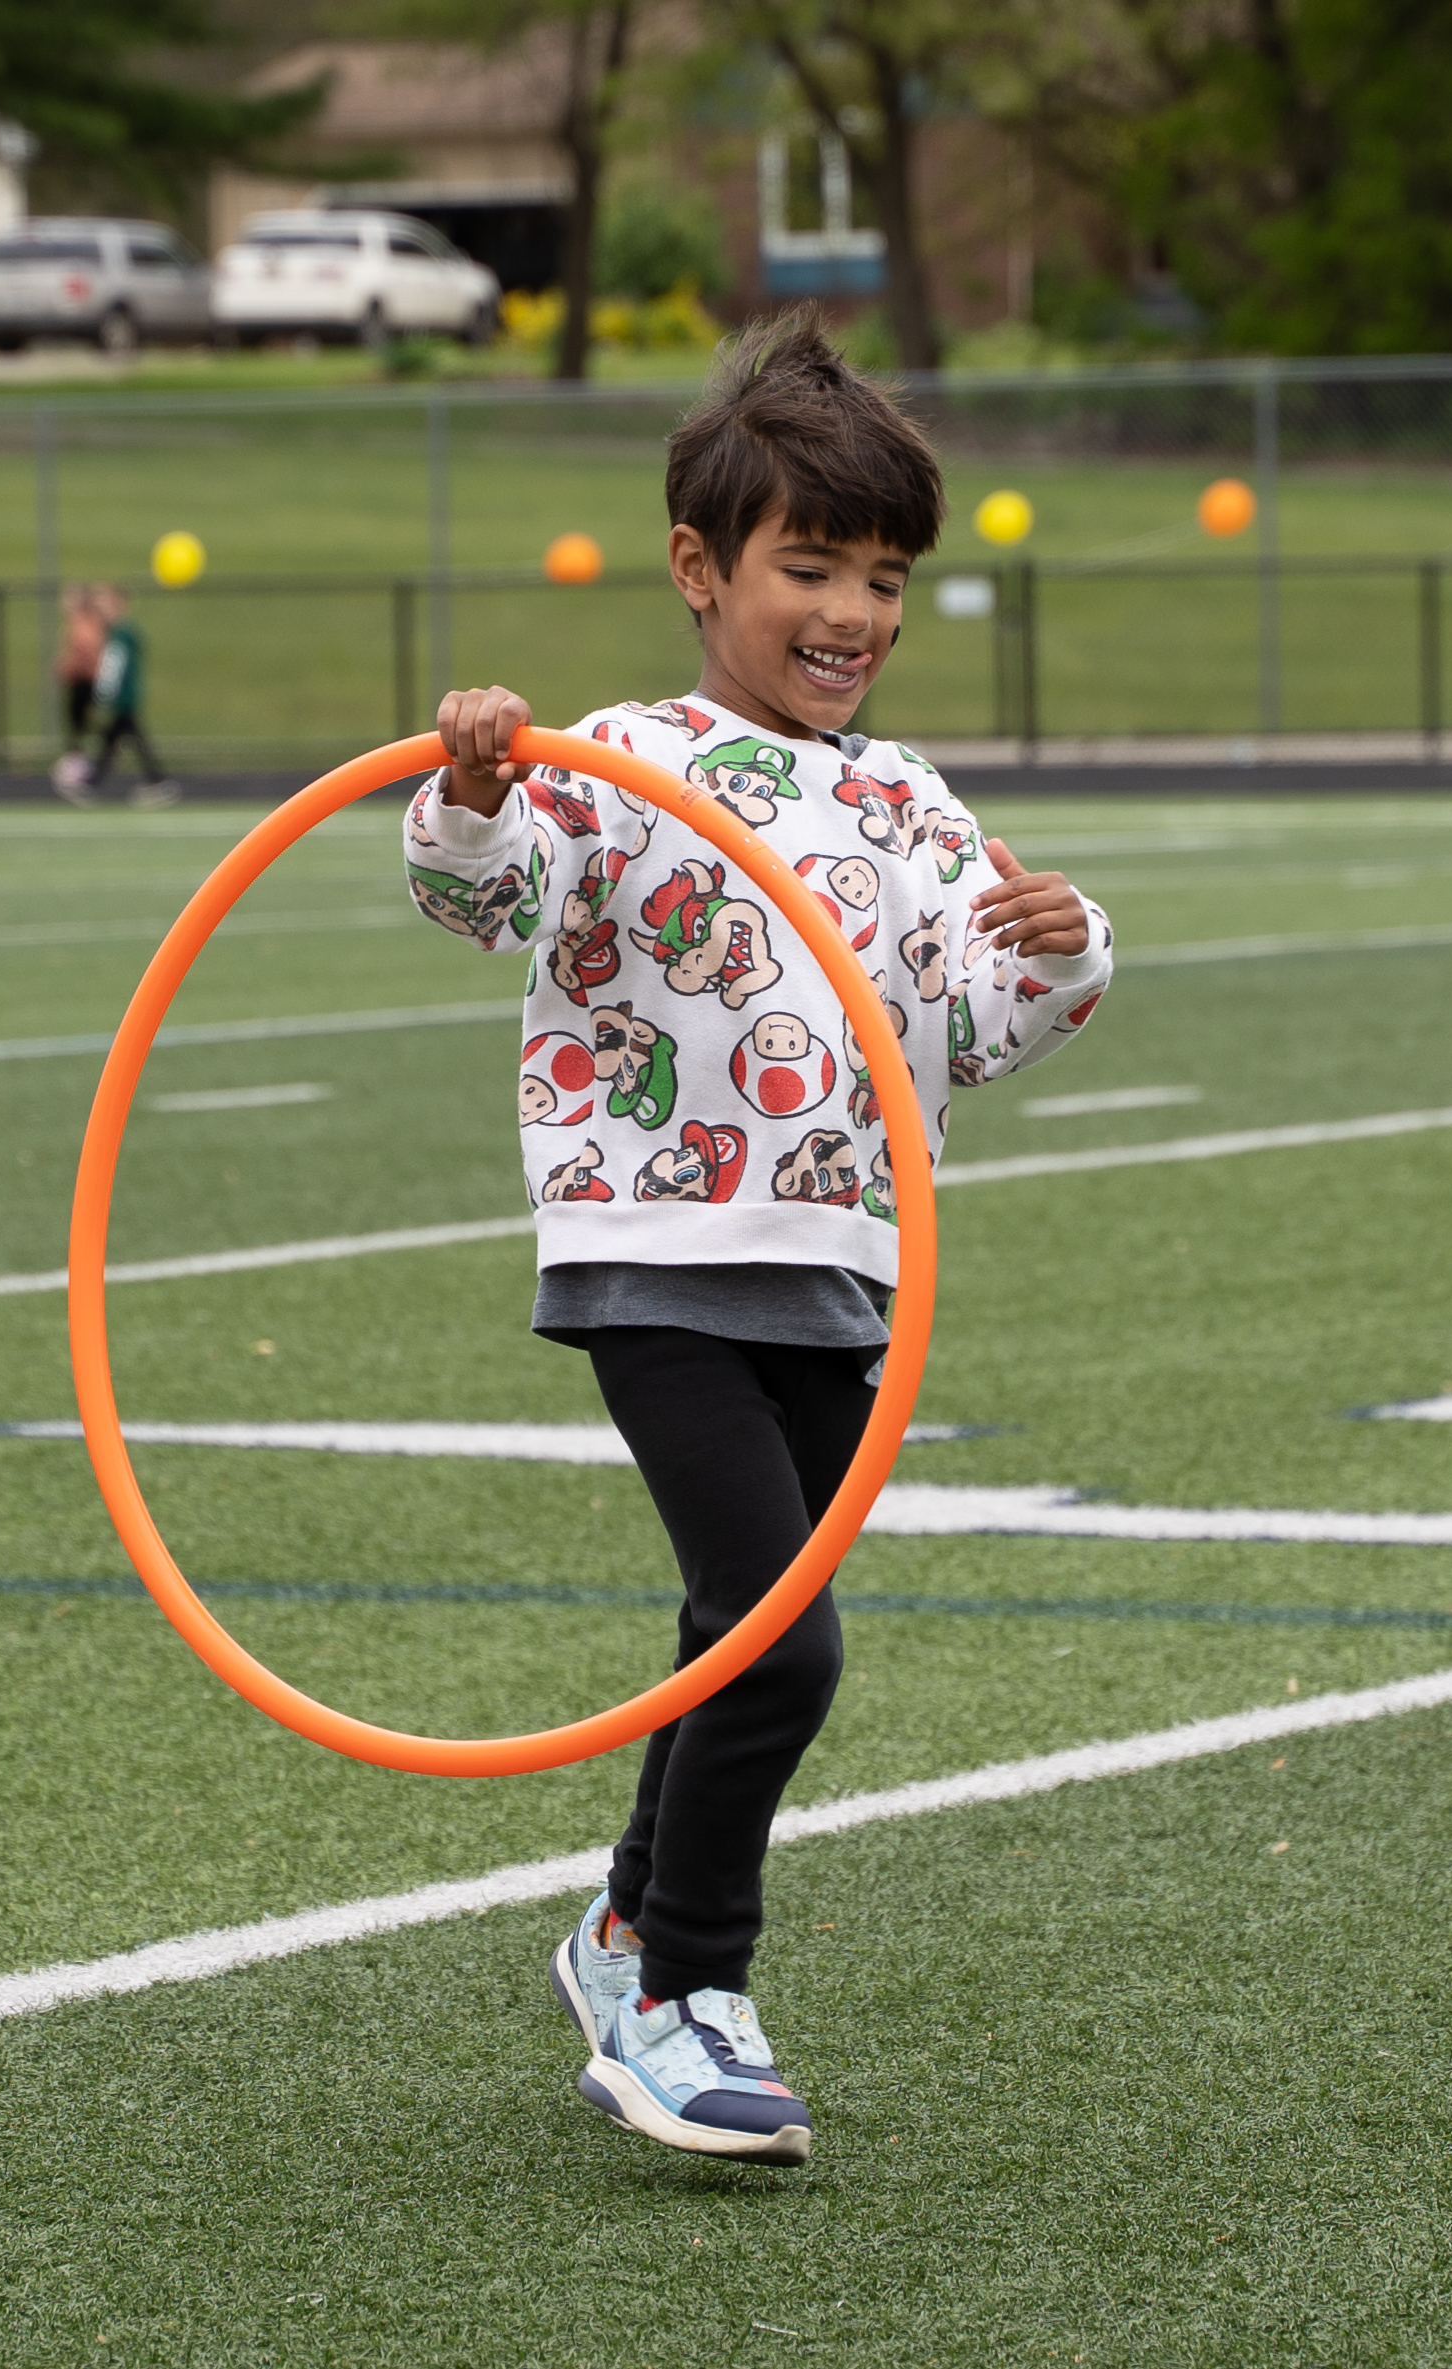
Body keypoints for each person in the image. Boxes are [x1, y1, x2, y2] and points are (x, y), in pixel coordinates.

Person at [404, 314, 1111, 2168]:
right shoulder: (610, 763)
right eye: (812, 566)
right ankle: (680, 1990)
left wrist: (1060, 954)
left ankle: (625, 1925)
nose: (852, 612)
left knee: (737, 1625)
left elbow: (963, 1031)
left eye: (883, 578)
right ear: (700, 567)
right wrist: (471, 788)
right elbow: (487, 900)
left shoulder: (908, 799)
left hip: (838, 1265)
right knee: (783, 1646)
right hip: (657, 1255)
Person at [77, 583, 177, 810]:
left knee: (126, 737)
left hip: (123, 698)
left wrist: (102, 697)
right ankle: (95, 782)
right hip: (124, 697)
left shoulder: (121, 634)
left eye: (105, 602)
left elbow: (113, 669)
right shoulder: (118, 632)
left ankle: (158, 782)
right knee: (115, 739)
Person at [51, 585, 106, 800]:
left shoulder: (83, 623)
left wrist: (67, 668)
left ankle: (81, 770)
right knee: (80, 726)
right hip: (82, 681)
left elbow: (85, 651)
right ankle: (80, 765)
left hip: (84, 681)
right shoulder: (81, 621)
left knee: (83, 725)